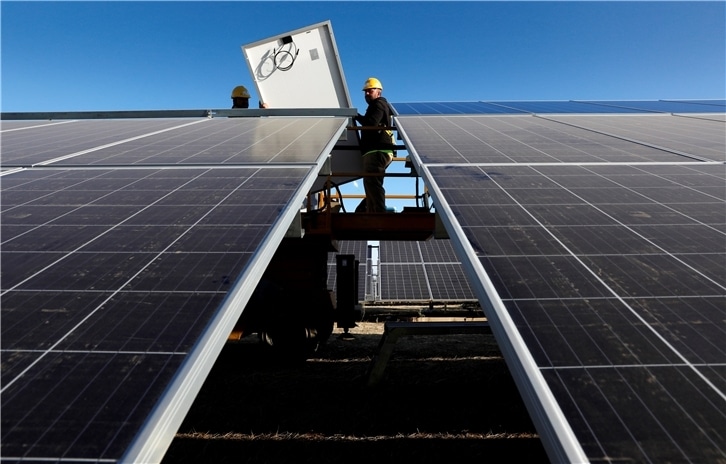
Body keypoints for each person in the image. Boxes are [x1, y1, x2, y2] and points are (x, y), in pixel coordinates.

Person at [354, 77, 397, 213]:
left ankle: (378, 213)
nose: (367, 94)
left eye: (370, 90)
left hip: (377, 150)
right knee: (371, 182)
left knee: (373, 182)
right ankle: (371, 211)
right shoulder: (379, 106)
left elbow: (371, 124)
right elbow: (371, 122)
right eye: (365, 91)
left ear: (379, 92)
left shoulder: (378, 104)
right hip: (378, 150)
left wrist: (357, 116)